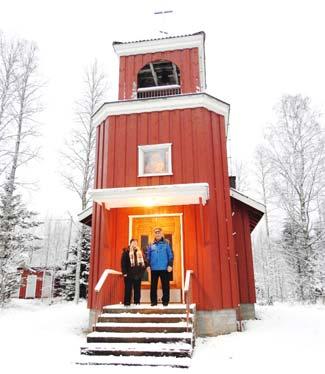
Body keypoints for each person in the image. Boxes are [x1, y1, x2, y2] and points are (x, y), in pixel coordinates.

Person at [146, 227, 173, 306]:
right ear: (154, 234)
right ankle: (153, 302)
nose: (157, 234)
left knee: (165, 286)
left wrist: (170, 265)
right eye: (156, 233)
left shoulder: (166, 244)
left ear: (161, 234)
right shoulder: (151, 244)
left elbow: (170, 255)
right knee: (153, 286)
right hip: (154, 269)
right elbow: (148, 256)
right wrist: (148, 265)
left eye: (159, 233)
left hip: (164, 268)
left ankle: (165, 301)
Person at [121, 238, 146, 306]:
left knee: (137, 290)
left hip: (138, 274)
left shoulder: (140, 252)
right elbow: (123, 263)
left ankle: (137, 302)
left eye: (136, 242)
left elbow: (144, 263)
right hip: (129, 274)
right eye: (133, 242)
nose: (134, 244)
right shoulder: (126, 251)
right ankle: (127, 303)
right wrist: (124, 272)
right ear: (130, 243)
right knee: (128, 289)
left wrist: (141, 273)